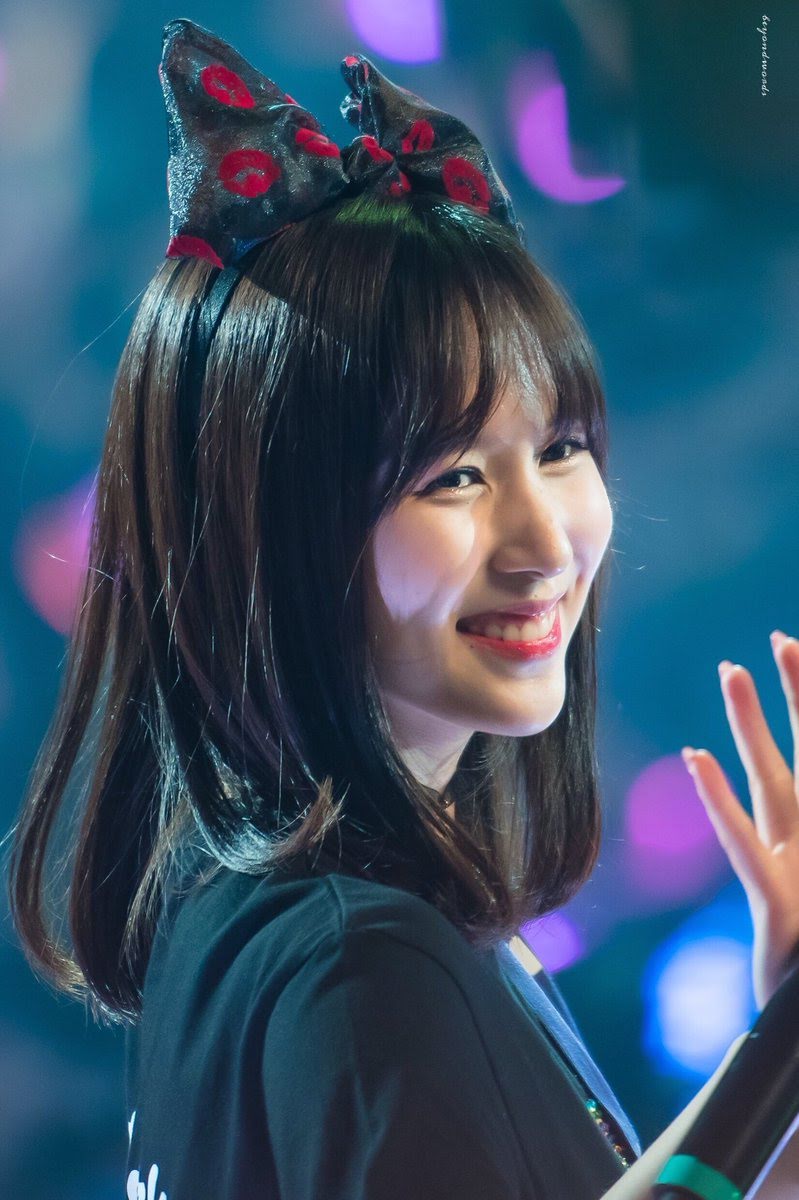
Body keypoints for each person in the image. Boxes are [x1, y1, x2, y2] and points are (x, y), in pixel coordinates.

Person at [6, 17, 799, 1200]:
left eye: (561, 449)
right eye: (453, 477)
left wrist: (778, 1049)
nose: (547, 545)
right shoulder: (360, 968)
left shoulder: (271, 919)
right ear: (278, 524)